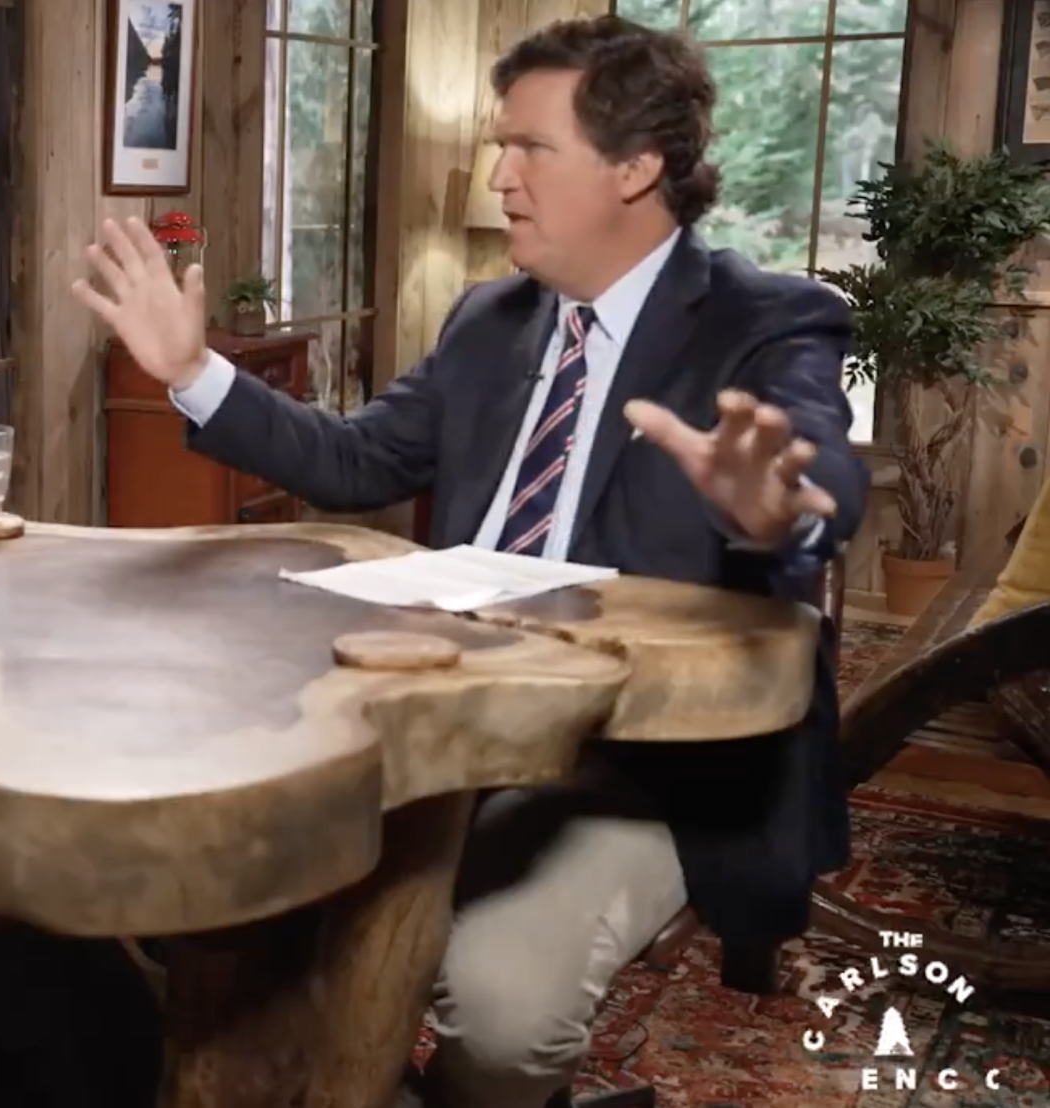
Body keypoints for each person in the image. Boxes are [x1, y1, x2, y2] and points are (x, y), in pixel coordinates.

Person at [73, 15, 864, 1108]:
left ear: (636, 166)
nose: (498, 177)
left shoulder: (767, 320)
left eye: (529, 147)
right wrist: (193, 371)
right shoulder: (489, 319)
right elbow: (355, 458)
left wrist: (770, 512)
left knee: (499, 1011)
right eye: (502, 147)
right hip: (433, 708)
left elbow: (816, 474)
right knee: (195, 881)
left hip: (639, 761)